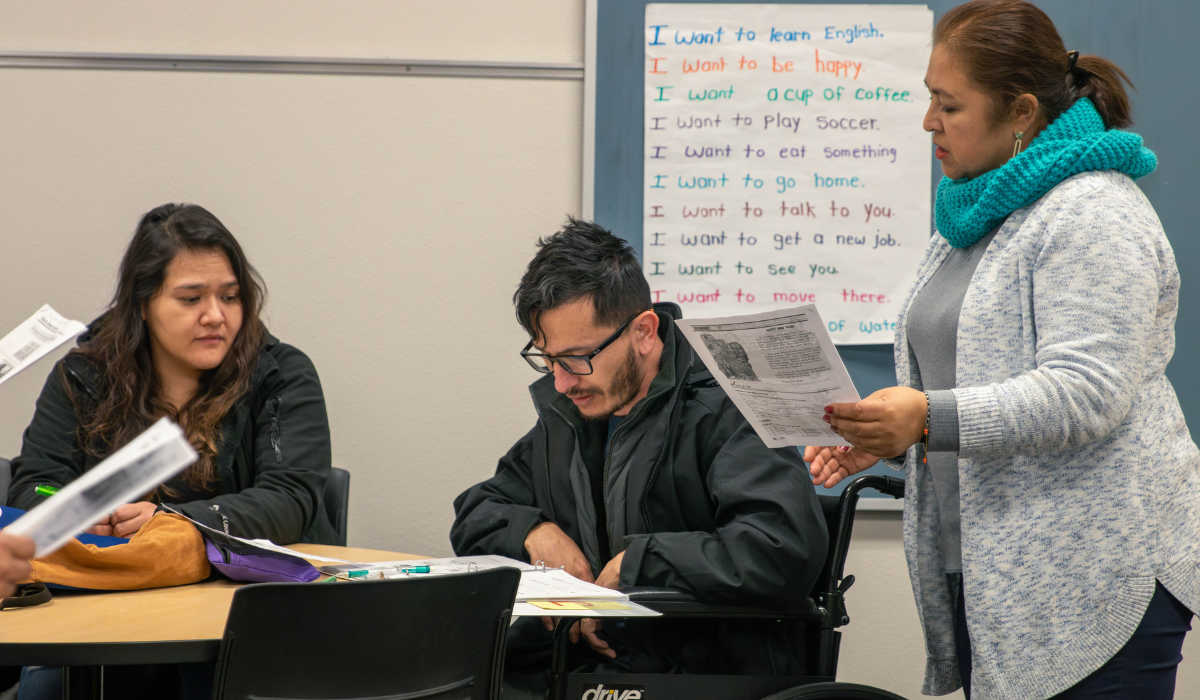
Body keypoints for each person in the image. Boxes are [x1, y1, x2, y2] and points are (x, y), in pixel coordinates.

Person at [805, 1, 1200, 698]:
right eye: (930, 97)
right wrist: (892, 437)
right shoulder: (979, 212)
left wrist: (927, 417)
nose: (929, 121)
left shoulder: (1092, 212)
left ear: (1020, 112)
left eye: (948, 104)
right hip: (1001, 575)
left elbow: (1087, 391)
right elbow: (976, 374)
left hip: (1096, 575)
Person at [451, 218, 828, 693]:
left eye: (575, 358)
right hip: (587, 665)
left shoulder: (726, 409)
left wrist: (637, 563)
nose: (561, 382)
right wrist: (533, 532)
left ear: (644, 332)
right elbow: (476, 512)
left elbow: (781, 549)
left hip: (700, 670)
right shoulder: (573, 414)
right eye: (547, 360)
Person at [8, 203, 336, 700]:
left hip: (243, 619)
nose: (215, 315)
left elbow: (290, 497)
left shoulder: (281, 374)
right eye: (190, 298)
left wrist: (173, 521)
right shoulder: (83, 375)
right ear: (142, 303)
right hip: (106, 613)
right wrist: (72, 513)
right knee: (48, 692)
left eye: (230, 296)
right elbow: (36, 484)